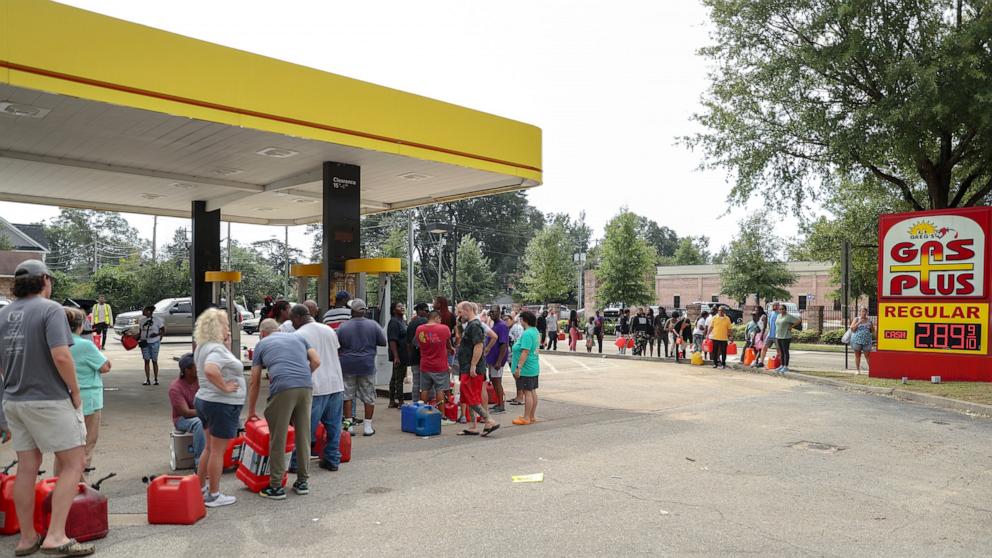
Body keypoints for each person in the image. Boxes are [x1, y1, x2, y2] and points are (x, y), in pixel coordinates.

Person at [0, 260, 94, 557]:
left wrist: (13, 380)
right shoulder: (50, 309)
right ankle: (55, 536)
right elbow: (62, 356)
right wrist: (75, 392)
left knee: (27, 466)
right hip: (50, 399)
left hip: (14, 400)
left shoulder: (3, 314)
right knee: (73, 463)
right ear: (43, 279)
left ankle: (27, 538)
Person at [247, 317, 318, 499]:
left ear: (262, 333)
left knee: (278, 437)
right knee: (303, 434)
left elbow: (254, 381)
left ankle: (276, 486)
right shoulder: (298, 338)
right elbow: (316, 361)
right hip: (305, 386)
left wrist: (251, 411)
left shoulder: (262, 344)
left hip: (283, 389)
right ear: (278, 329)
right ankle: (303, 482)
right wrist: (301, 375)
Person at [193, 308, 245, 508]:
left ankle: (201, 488)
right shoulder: (216, 350)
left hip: (205, 400)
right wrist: (225, 387)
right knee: (218, 451)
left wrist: (227, 345)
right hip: (221, 404)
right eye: (225, 324)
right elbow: (211, 369)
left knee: (209, 447)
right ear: (217, 327)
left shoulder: (204, 346)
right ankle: (214, 494)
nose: (228, 328)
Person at [290, 305, 345, 472]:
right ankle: (332, 459)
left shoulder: (298, 335)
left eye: (292, 320)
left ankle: (296, 463)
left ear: (299, 317)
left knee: (305, 428)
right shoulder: (328, 330)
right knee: (334, 426)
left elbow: (300, 363)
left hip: (315, 386)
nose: (292, 323)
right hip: (336, 383)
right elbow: (336, 353)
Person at [66, 307, 111, 477]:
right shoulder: (85, 345)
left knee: (66, 447)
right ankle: (79, 483)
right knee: (86, 444)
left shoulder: (55, 343)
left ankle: (60, 482)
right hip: (88, 398)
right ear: (81, 325)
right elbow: (105, 367)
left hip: (64, 398)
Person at [337, 299, 386, 436]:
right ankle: (367, 427)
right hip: (367, 364)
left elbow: (337, 344)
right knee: (369, 395)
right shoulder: (373, 325)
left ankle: (349, 427)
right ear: (364, 311)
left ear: (351, 311)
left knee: (347, 396)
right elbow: (383, 342)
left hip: (347, 365)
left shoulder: (343, 326)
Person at [455, 302, 500, 437]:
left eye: (459, 312)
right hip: (467, 366)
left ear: (467, 310)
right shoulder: (471, 324)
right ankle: (474, 426)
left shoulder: (474, 325)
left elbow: (478, 345)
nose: (458, 315)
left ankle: (489, 420)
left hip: (471, 368)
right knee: (469, 395)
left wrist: (473, 365)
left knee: (469, 394)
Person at [416, 311, 455, 418]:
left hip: (425, 364)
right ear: (437, 318)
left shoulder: (419, 329)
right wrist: (451, 348)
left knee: (424, 389)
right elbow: (448, 343)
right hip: (440, 365)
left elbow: (419, 343)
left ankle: (422, 412)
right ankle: (441, 414)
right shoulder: (444, 328)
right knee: (440, 390)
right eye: (440, 319)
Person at [170, 352, 205, 468]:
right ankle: (200, 463)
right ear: (187, 370)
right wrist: (208, 413)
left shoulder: (201, 381)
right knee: (199, 423)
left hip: (200, 413)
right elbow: (185, 412)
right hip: (182, 419)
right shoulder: (175, 388)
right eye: (197, 366)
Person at [511, 310, 541, 426]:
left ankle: (526, 417)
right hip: (533, 366)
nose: (520, 322)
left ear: (525, 320)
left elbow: (525, 352)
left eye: (521, 320)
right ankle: (531, 416)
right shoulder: (535, 331)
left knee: (527, 392)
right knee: (532, 391)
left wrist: (518, 367)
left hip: (526, 368)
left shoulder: (527, 333)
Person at [485, 309, 509, 414]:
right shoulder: (494, 325)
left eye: (494, 312)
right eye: (490, 312)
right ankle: (498, 403)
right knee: (493, 380)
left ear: (499, 313)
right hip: (492, 358)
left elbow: (504, 344)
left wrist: (499, 361)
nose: (491, 314)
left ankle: (501, 405)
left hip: (497, 359)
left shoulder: (502, 326)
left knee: (497, 381)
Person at [386, 302, 409, 408]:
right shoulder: (394, 322)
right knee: (398, 378)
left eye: (402, 306)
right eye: (399, 307)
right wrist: (396, 356)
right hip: (399, 354)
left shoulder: (401, 321)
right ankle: (400, 401)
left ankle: (392, 400)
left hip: (403, 354)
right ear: (394, 310)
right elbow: (392, 340)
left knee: (395, 377)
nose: (402, 307)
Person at [407, 303, 429, 402]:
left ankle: (415, 403)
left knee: (416, 382)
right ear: (420, 310)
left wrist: (410, 355)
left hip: (414, 358)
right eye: (426, 310)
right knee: (428, 383)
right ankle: (428, 403)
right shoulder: (426, 323)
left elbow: (408, 343)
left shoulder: (411, 323)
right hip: (427, 357)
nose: (427, 313)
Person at [139, 305, 165, 385]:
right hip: (144, 342)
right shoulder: (142, 321)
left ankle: (156, 379)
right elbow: (140, 332)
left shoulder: (157, 320)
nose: (143, 312)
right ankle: (147, 379)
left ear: (149, 311)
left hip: (154, 342)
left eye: (144, 310)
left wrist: (157, 335)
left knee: (154, 361)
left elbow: (163, 330)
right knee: (146, 361)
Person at [774, 304, 802, 374]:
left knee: (785, 351)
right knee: (781, 352)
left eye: (782, 309)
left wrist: (791, 326)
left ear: (785, 309)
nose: (781, 310)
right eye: (780, 309)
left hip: (786, 336)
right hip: (778, 336)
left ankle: (786, 366)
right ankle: (782, 365)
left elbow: (798, 320)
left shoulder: (788, 316)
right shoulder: (778, 316)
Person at [849, 307, 874, 374]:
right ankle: (858, 370)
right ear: (860, 312)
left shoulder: (869, 320)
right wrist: (859, 322)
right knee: (857, 355)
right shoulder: (857, 319)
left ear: (867, 312)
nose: (864, 313)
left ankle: (871, 370)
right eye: (862, 311)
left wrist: (870, 329)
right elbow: (852, 328)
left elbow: (873, 330)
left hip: (867, 341)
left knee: (867, 355)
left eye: (865, 311)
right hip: (857, 341)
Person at [758, 302, 780, 368]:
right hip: (770, 334)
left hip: (777, 335)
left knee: (778, 350)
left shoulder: (780, 314)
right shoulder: (771, 313)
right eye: (774, 305)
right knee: (764, 347)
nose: (775, 306)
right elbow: (768, 324)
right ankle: (761, 362)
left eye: (776, 305)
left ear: (778, 306)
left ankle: (779, 363)